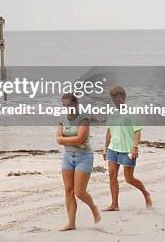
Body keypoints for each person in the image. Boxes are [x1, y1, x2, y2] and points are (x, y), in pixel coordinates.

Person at [102, 85, 153, 211]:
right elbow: (109, 131)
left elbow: (137, 132)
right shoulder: (111, 113)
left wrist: (135, 148)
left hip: (127, 150)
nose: (116, 101)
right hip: (113, 149)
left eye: (118, 98)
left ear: (124, 97)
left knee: (129, 179)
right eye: (113, 98)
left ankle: (146, 193)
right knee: (112, 175)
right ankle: (114, 204)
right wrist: (105, 148)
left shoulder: (131, 113)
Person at [57, 92, 101, 231]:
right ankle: (71, 223)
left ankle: (93, 207)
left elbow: (80, 139)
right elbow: (58, 138)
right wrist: (66, 140)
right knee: (68, 190)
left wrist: (64, 139)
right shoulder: (62, 118)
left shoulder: (84, 118)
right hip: (68, 157)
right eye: (64, 105)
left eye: (69, 105)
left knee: (79, 192)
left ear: (76, 104)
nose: (67, 108)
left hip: (84, 157)